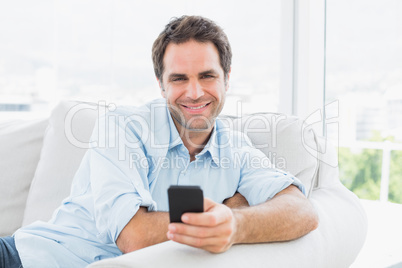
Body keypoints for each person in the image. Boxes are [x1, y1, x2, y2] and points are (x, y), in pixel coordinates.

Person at [0, 15, 318, 268]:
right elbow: (134, 237)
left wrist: (236, 224)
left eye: (207, 76)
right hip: (24, 259)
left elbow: (302, 211)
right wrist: (221, 210)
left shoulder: (237, 150)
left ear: (227, 78)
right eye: (179, 79)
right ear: (161, 85)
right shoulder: (122, 127)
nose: (194, 92)